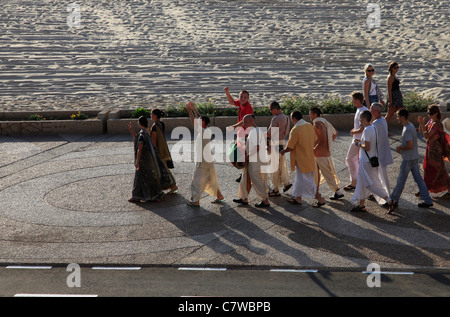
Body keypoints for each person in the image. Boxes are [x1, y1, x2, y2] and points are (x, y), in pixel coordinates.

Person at [388, 109, 433, 213]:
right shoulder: (411, 126)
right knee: (419, 180)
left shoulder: (407, 129)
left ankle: (393, 200)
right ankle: (427, 200)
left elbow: (410, 145)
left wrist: (400, 148)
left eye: (398, 116)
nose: (397, 118)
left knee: (400, 181)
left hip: (408, 159)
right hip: (414, 158)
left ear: (402, 117)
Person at [281, 111, 324, 207]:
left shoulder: (296, 129)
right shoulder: (309, 125)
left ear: (294, 119)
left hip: (301, 159)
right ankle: (298, 198)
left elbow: (290, 146)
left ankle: (320, 199)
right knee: (300, 179)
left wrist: (283, 151)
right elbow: (314, 139)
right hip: (310, 157)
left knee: (308, 180)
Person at [350, 110, 391, 212]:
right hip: (370, 159)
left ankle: (389, 200)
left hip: (366, 162)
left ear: (364, 119)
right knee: (362, 183)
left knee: (370, 184)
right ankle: (361, 205)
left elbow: (367, 147)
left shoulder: (367, 130)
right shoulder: (373, 128)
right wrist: (361, 142)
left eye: (360, 118)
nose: (359, 119)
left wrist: (358, 144)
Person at [185, 102, 225, 207]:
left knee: (197, 181)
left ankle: (195, 200)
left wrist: (189, 111)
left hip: (202, 161)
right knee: (211, 179)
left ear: (202, 123)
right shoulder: (205, 130)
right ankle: (219, 196)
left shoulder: (202, 131)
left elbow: (194, 121)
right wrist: (194, 109)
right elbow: (199, 118)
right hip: (207, 160)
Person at [128, 116, 173, 203]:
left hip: (143, 159)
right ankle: (138, 196)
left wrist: (137, 160)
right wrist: (131, 130)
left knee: (142, 177)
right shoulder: (147, 131)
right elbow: (137, 137)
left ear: (140, 123)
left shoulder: (142, 134)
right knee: (145, 177)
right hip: (149, 158)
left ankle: (151, 195)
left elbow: (140, 147)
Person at [233, 114, 270, 208]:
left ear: (251, 121)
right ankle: (244, 198)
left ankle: (265, 200)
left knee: (257, 180)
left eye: (245, 122)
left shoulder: (255, 132)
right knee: (245, 178)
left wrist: (246, 157)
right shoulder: (255, 131)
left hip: (255, 160)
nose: (244, 123)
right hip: (254, 159)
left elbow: (257, 147)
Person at [309, 107, 344, 201]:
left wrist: (315, 148)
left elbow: (322, 138)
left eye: (310, 114)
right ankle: (316, 191)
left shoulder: (317, 123)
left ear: (315, 115)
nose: (309, 115)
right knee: (318, 172)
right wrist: (329, 144)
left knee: (326, 173)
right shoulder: (325, 121)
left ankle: (338, 191)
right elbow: (335, 133)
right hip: (326, 152)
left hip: (319, 153)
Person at [417, 105, 450, 196]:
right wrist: (421, 123)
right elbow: (421, 131)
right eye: (428, 113)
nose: (429, 115)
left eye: (431, 114)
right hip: (430, 149)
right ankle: (424, 189)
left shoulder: (437, 124)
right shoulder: (431, 121)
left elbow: (427, 136)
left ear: (436, 113)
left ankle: (424, 190)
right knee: (429, 169)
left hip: (435, 151)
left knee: (438, 170)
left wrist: (423, 125)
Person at [224, 87, 254, 183]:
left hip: (246, 133)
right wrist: (227, 92)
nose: (242, 99)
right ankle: (244, 173)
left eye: (245, 97)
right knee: (242, 153)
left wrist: (233, 127)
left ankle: (245, 174)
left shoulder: (248, 108)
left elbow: (243, 122)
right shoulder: (241, 104)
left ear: (248, 98)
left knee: (244, 154)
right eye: (241, 97)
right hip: (241, 133)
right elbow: (232, 102)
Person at [343, 91, 369, 191]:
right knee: (354, 159)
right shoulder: (362, 109)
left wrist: (353, 131)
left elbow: (362, 127)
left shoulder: (362, 111)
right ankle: (356, 181)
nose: (352, 101)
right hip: (359, 139)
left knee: (350, 159)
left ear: (358, 100)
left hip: (358, 139)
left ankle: (355, 182)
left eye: (353, 99)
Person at [266, 101, 292, 196]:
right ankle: (286, 183)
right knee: (281, 166)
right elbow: (287, 131)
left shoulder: (275, 119)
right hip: (282, 143)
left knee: (274, 168)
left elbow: (269, 133)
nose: (271, 112)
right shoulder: (287, 118)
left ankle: (275, 189)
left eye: (271, 110)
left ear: (275, 109)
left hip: (274, 144)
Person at [150, 108, 178, 194]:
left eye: (151, 114)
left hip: (159, 151)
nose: (150, 116)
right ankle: (168, 186)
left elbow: (154, 141)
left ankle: (172, 185)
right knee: (164, 168)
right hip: (164, 150)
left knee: (161, 169)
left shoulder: (154, 127)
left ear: (155, 116)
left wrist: (153, 152)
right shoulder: (161, 124)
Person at [370, 102, 393, 195]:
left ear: (375, 111)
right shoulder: (382, 120)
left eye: (371, 108)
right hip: (383, 151)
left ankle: (387, 195)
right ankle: (379, 192)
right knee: (380, 174)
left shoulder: (376, 123)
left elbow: (373, 138)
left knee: (382, 175)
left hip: (379, 153)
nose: (370, 110)